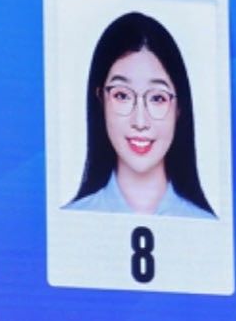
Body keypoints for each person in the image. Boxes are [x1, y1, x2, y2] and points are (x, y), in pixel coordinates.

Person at [66, 12, 217, 219]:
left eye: (157, 98)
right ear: (101, 99)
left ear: (180, 107)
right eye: (122, 95)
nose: (140, 122)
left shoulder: (206, 226)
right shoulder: (71, 221)